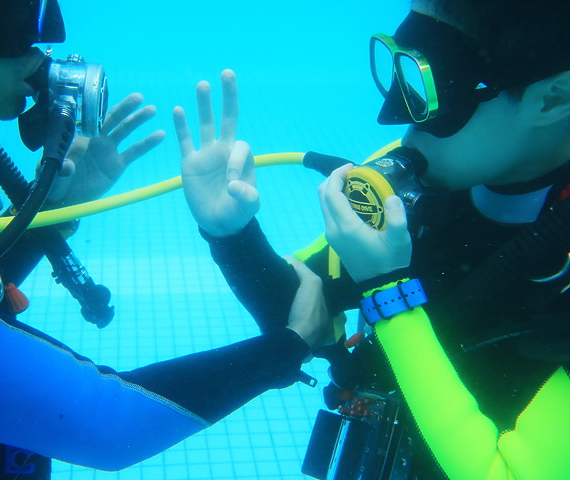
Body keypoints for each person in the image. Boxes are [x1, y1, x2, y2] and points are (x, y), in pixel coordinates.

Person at [0, 0, 336, 478]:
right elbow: (106, 423)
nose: (47, 38)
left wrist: (54, 210)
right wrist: (291, 345)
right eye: (7, 9)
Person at [175, 0, 570, 478]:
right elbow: (303, 310)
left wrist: (388, 289)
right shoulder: (419, 174)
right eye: (403, 76)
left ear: (553, 98)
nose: (397, 122)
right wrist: (233, 236)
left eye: (438, 88)